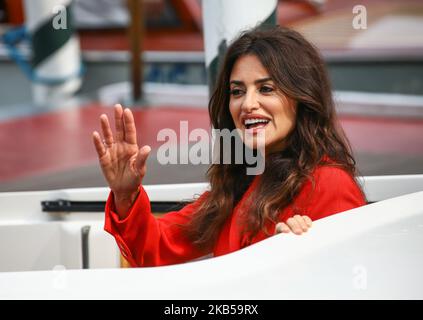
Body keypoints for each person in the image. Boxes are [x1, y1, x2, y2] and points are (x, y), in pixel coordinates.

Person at [92, 25, 366, 267]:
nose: (247, 104)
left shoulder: (330, 184)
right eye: (237, 91)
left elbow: (352, 277)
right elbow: (155, 247)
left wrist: (297, 262)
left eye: (266, 89)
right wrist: (125, 194)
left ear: (303, 98)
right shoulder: (238, 185)